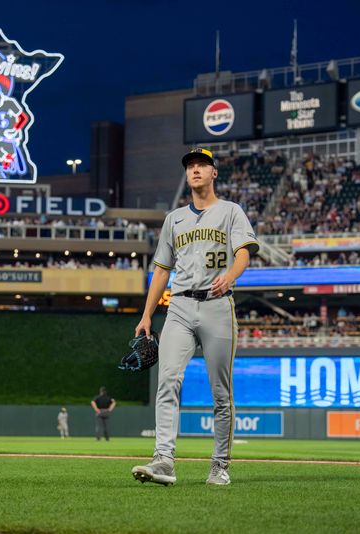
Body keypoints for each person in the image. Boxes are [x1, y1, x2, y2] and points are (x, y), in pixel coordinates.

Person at [132, 147, 258, 486]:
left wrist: (231, 276)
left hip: (218, 306)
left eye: (202, 164)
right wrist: (147, 316)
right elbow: (160, 271)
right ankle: (163, 460)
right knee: (167, 380)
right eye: (190, 166)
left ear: (214, 172)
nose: (195, 170)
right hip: (179, 308)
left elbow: (244, 253)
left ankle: (219, 465)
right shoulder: (174, 219)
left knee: (220, 393)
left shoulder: (231, 211)